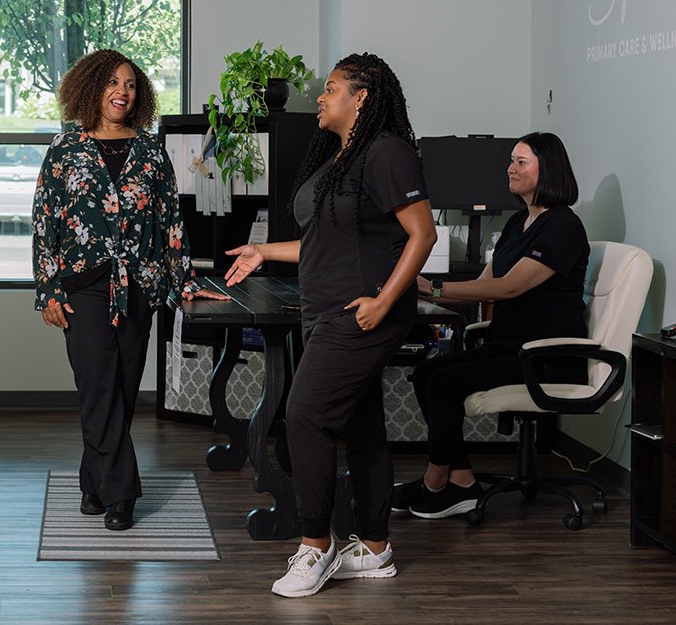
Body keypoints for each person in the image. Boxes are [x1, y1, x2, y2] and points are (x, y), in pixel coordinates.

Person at [224, 53, 436, 597]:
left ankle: (316, 544)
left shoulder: (386, 151)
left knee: (305, 414)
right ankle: (376, 547)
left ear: (361, 97)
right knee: (362, 423)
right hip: (323, 309)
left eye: (332, 88)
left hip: (360, 311)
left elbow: (423, 234)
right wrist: (263, 251)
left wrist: (384, 301)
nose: (320, 97)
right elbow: (323, 242)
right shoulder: (340, 159)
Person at [32, 49, 228, 532]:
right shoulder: (65, 148)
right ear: (91, 88)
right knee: (96, 383)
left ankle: (93, 480)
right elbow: (44, 221)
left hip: (139, 284)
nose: (122, 92)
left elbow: (171, 222)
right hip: (83, 284)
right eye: (112, 83)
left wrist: (184, 282)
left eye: (131, 84)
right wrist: (48, 289)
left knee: (119, 387)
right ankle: (122, 493)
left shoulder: (150, 151)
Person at [393, 131, 589, 519]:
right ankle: (462, 480)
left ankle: (436, 479)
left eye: (521, 162)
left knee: (444, 381)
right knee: (428, 373)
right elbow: (485, 283)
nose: (510, 169)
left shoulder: (563, 226)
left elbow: (509, 287)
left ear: (548, 169)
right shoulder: (518, 223)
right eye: (511, 161)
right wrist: (417, 289)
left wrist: (432, 287)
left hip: (545, 356)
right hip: (510, 346)